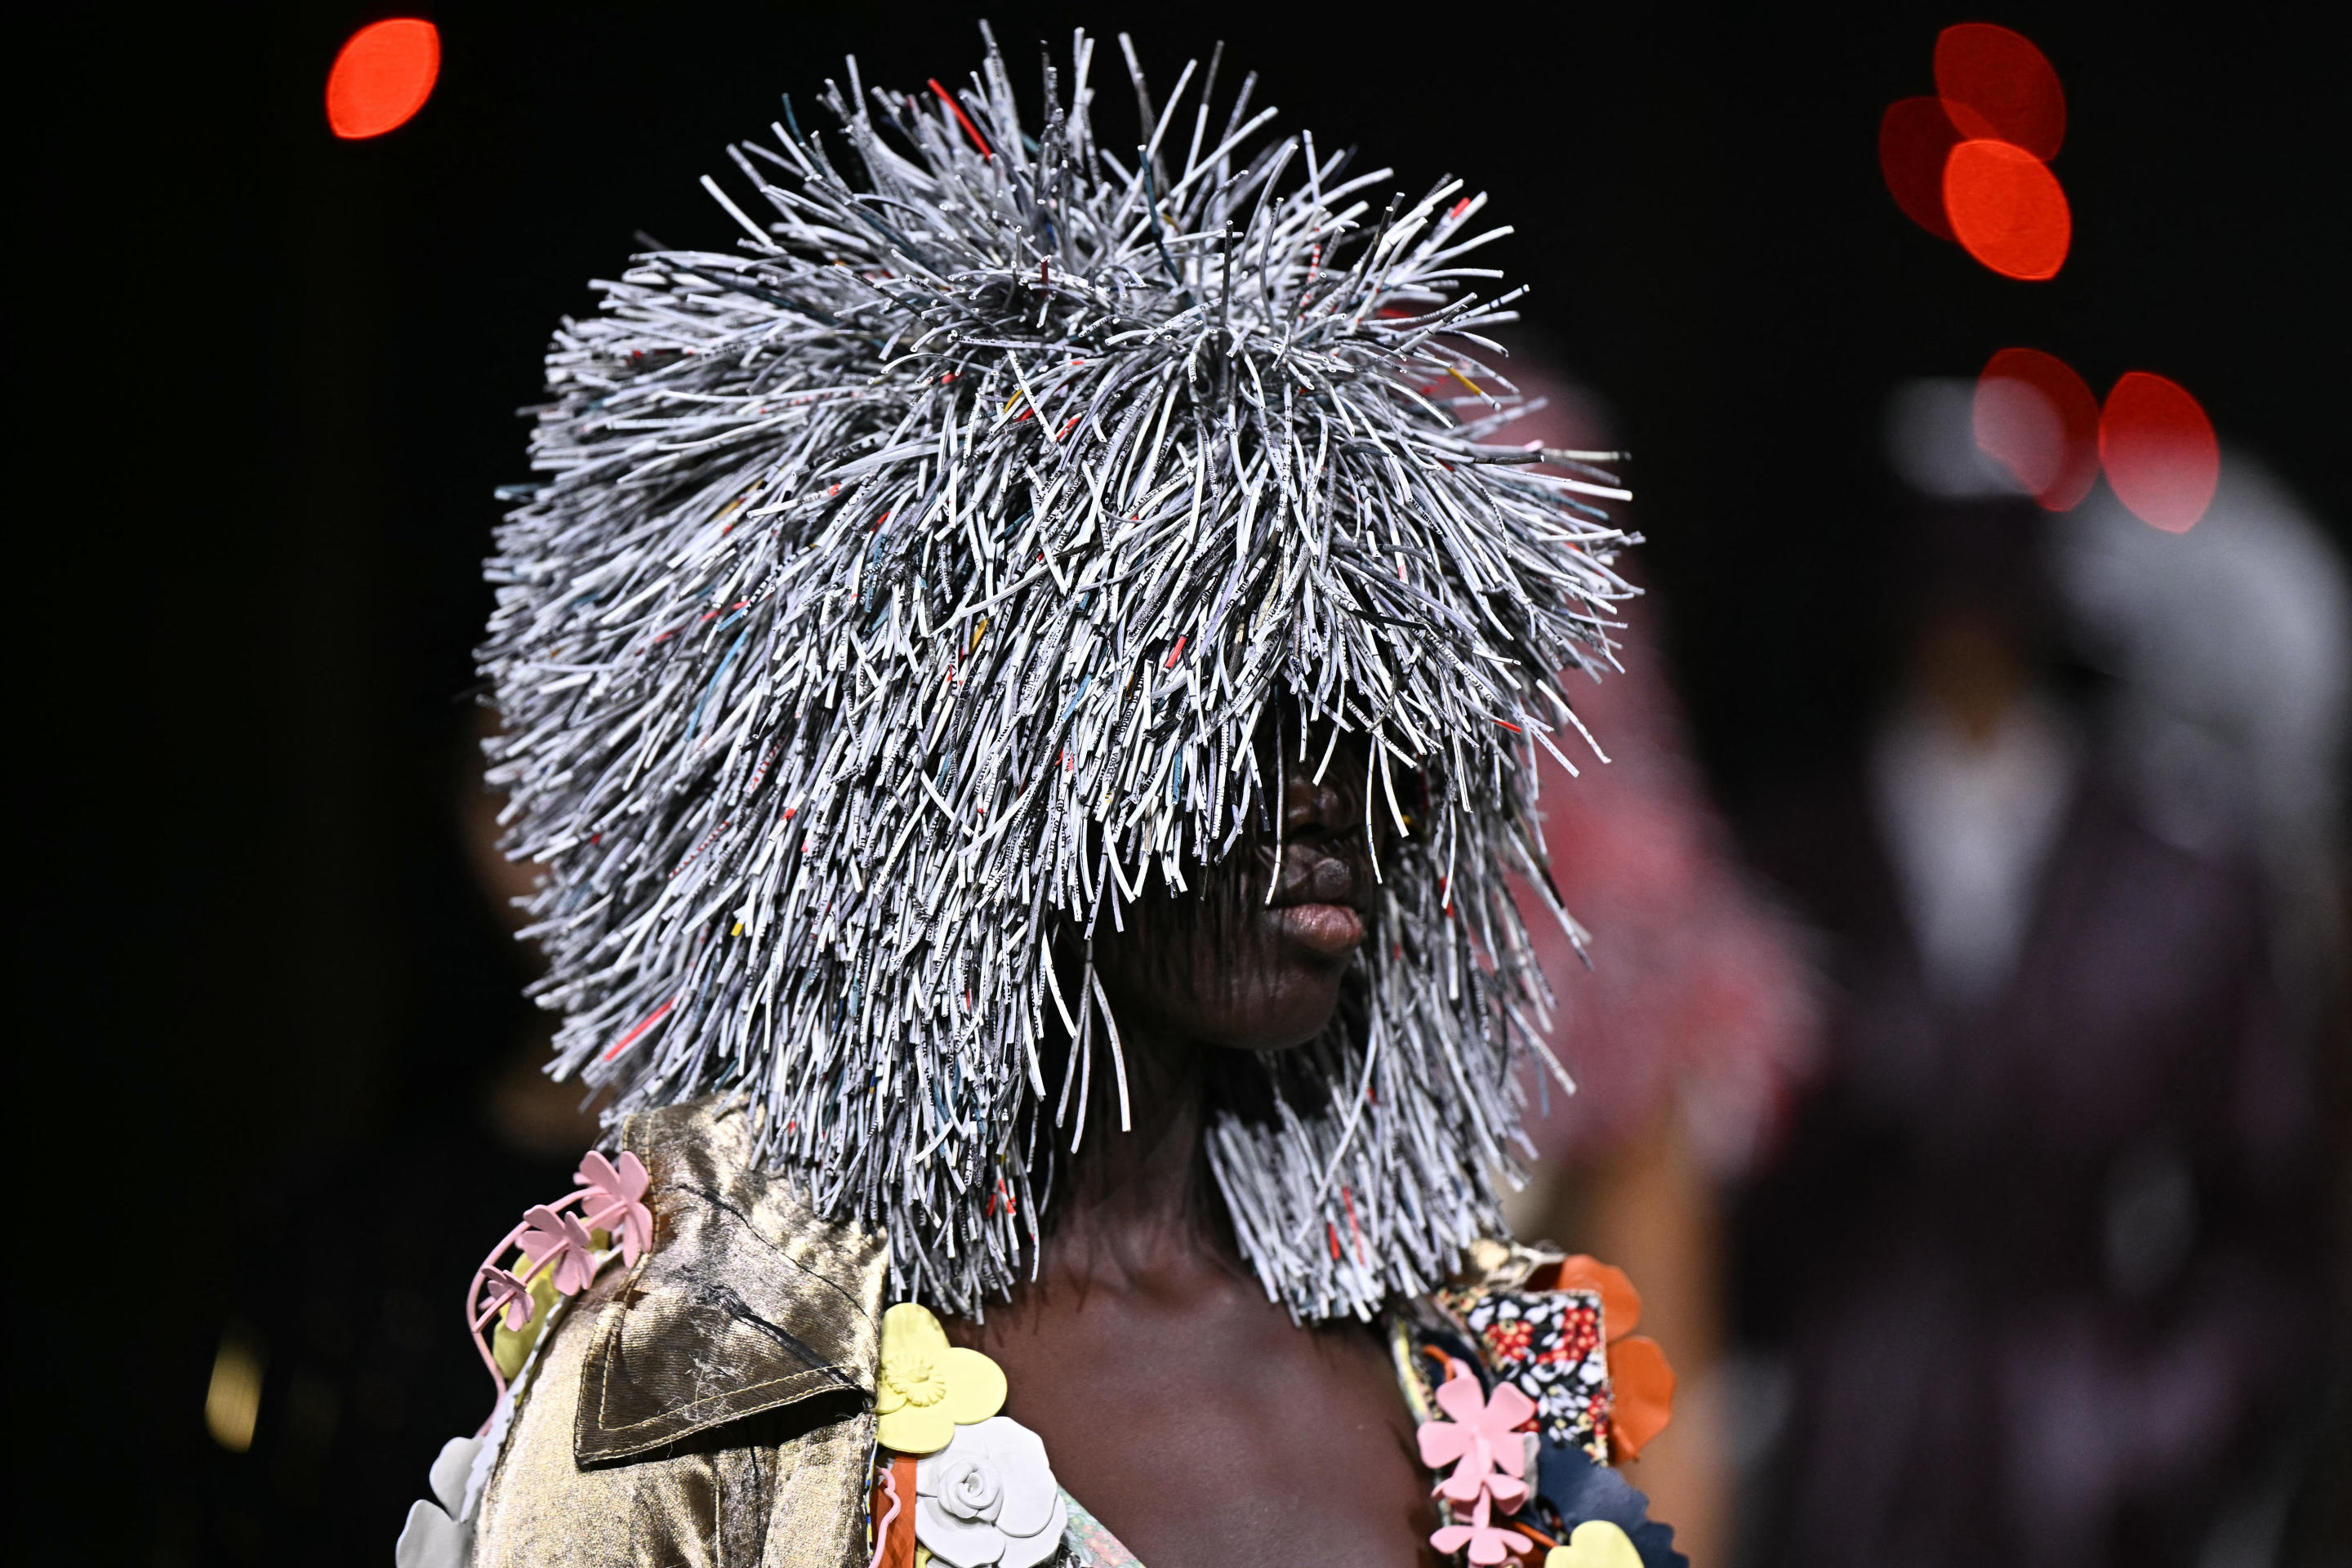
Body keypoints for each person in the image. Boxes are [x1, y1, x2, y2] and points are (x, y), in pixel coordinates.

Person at [395, 33, 1691, 1568]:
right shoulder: (707, 1387)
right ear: (1003, 744)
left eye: (1397, 717)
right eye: (1265, 706)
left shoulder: (1488, 1362)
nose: (1347, 792)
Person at [1731, 494, 2323, 1568]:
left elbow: (2270, 1204)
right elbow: (1719, 1188)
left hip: (2077, 1440)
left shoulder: (2171, 876)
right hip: (1844, 1447)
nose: (1968, 634)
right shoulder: (1791, 863)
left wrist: (2169, 1418)